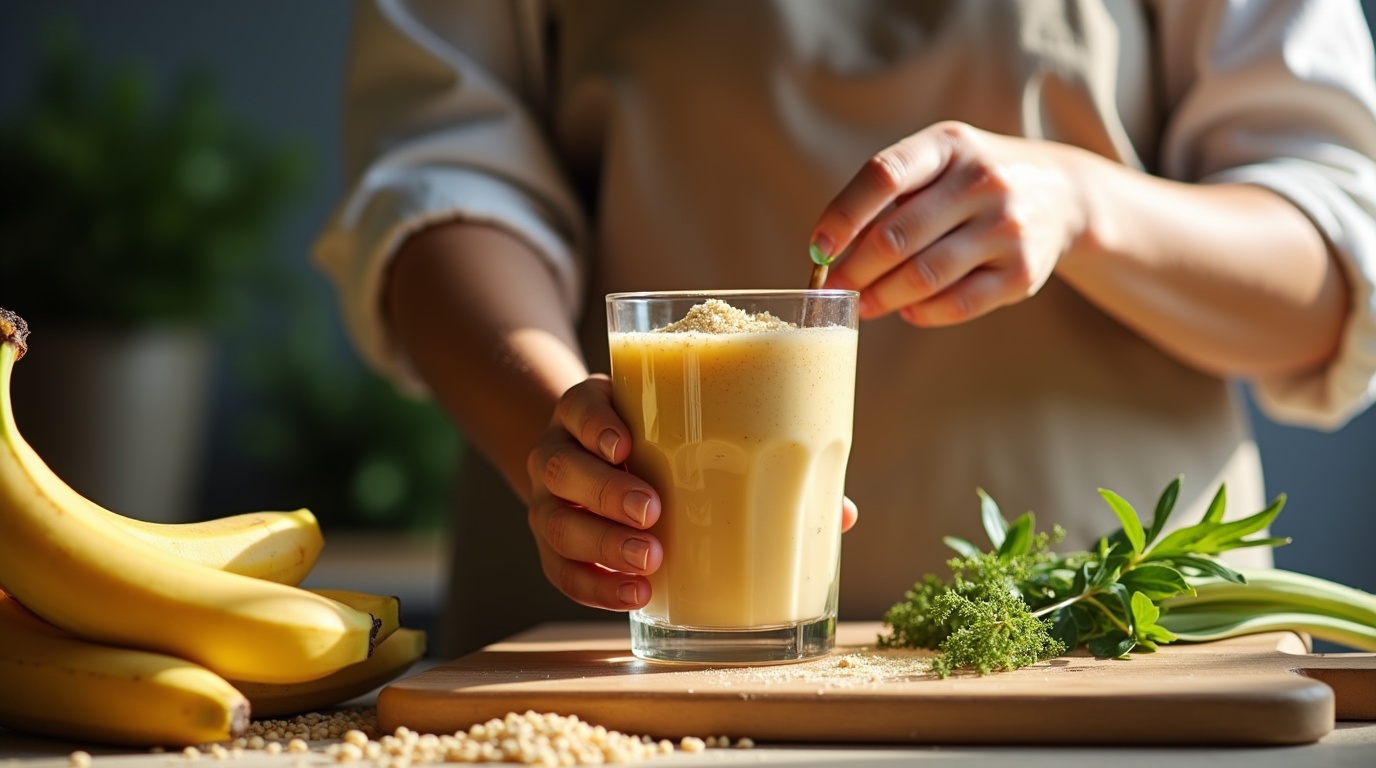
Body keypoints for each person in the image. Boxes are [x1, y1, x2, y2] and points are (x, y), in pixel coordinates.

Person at [314, 0, 1376, 659]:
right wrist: (551, 428)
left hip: (1105, 648)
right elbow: (440, 176)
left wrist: (1081, 204)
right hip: (618, 652)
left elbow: (1337, 262)